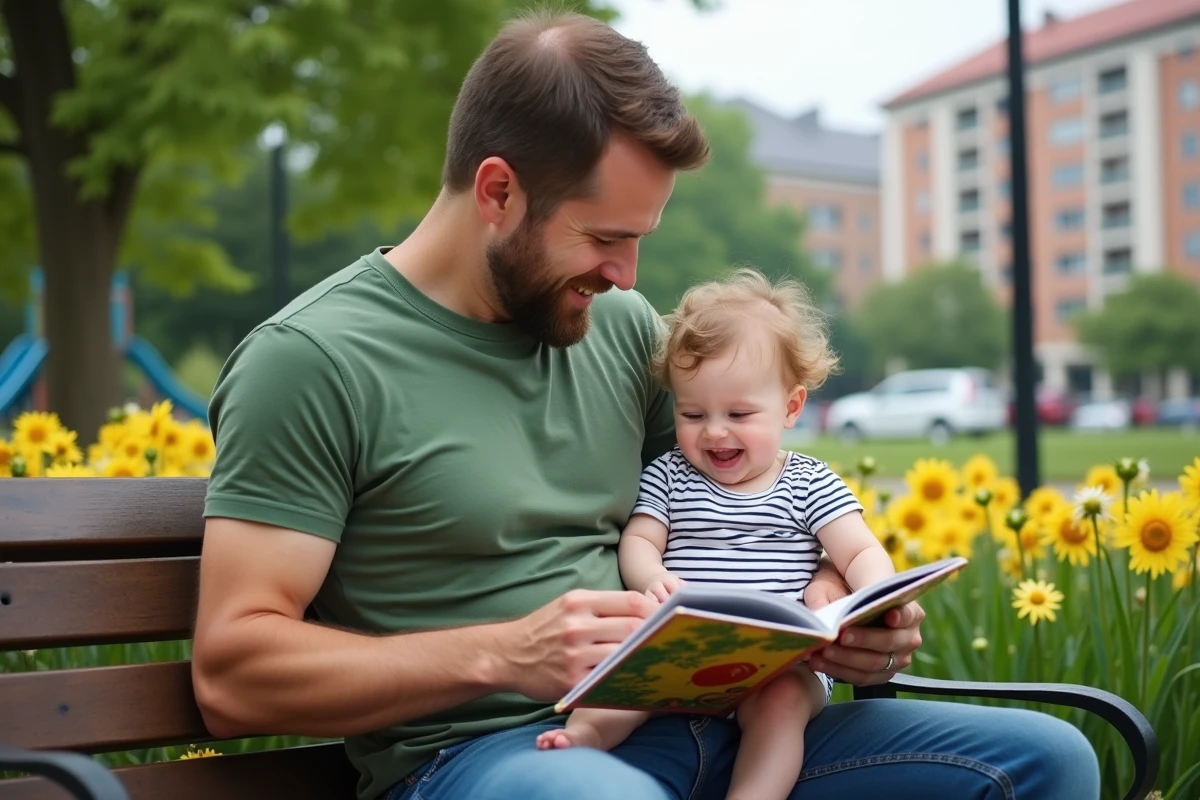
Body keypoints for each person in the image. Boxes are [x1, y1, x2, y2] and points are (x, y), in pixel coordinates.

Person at [192, 10, 1101, 800]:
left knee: (1048, 762)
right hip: (494, 757)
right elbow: (234, 676)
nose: (628, 278)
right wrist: (504, 654)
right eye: (605, 238)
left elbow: (737, 504)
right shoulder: (311, 362)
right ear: (499, 192)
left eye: (639, 241)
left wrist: (832, 610)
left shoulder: (620, 329)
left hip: (732, 730)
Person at [534, 269, 897, 800]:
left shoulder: (807, 481)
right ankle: (584, 737)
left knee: (779, 708)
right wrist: (651, 575)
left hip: (780, 663)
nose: (715, 431)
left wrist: (869, 598)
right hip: (687, 650)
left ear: (791, 407)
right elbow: (639, 539)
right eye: (693, 412)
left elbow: (860, 549)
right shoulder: (671, 473)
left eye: (740, 413)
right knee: (627, 681)